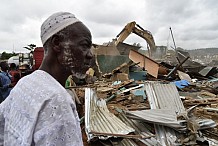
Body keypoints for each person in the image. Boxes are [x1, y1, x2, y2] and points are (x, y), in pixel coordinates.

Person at [0, 12, 93, 146]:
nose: (90, 55)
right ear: (57, 43)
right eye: (84, 45)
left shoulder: (25, 83)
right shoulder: (57, 100)